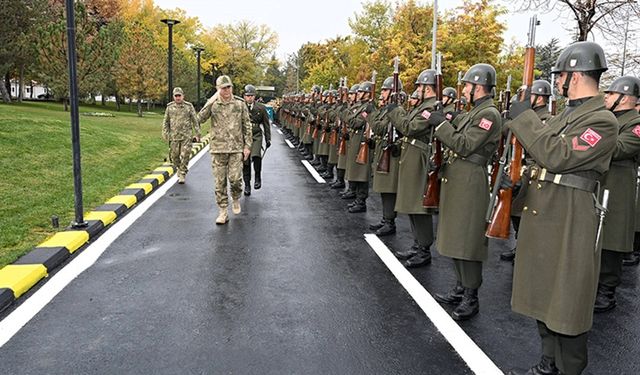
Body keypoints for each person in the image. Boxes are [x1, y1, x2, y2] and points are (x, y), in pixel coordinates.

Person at [506, 41, 617, 375]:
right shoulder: (565, 115)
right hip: (544, 213)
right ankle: (547, 363)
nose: (556, 82)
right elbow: (540, 155)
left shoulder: (602, 121)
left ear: (577, 76)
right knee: (543, 296)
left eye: (561, 75)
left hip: (571, 220)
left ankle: (568, 368)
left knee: (567, 306)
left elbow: (558, 155)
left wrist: (525, 119)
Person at [424, 64, 501, 320]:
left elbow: (465, 144)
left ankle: (471, 296)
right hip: (457, 178)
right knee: (457, 237)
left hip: (470, 180)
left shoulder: (488, 114)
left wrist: (441, 126)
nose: (464, 90)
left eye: (467, 85)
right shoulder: (474, 112)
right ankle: (460, 286)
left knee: (468, 240)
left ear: (478, 87)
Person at [593, 76, 640, 313]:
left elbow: (621, 148)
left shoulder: (637, 123)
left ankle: (607, 291)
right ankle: (596, 285)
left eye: (610, 94)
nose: (606, 97)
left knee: (612, 238)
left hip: (619, 186)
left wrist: (595, 137)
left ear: (624, 98)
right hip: (602, 182)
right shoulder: (611, 119)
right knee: (598, 236)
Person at [386, 69, 441, 267]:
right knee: (411, 202)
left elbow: (409, 127)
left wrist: (395, 110)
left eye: (420, 86)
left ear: (429, 88)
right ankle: (417, 244)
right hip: (411, 154)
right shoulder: (422, 105)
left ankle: (424, 248)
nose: (417, 89)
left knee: (419, 205)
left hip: (419, 157)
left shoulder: (431, 107)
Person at [500, 79, 553, 262]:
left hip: (533, 169)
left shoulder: (546, 119)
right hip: (518, 166)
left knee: (526, 214)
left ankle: (526, 249)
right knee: (515, 211)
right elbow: (506, 131)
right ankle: (519, 245)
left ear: (539, 99)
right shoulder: (525, 117)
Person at [198, 75, 252, 225]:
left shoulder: (240, 104)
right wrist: (211, 101)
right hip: (218, 149)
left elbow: (247, 125)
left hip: (235, 149)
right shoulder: (213, 105)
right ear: (218, 89)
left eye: (228, 87)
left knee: (235, 179)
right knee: (219, 182)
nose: (227, 90)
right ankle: (222, 211)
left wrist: (247, 146)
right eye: (223, 88)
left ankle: (235, 197)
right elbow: (200, 118)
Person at [369, 77, 403, 236]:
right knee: (384, 188)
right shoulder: (386, 110)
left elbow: (379, 128)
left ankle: (389, 221)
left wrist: (370, 114)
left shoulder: (397, 110)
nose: (381, 93)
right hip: (384, 150)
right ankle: (385, 219)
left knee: (388, 189)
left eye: (384, 90)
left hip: (391, 153)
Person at [344, 81, 375, 213]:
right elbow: (350, 119)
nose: (358, 94)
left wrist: (351, 118)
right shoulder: (360, 106)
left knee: (362, 173)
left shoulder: (369, 107)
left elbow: (355, 122)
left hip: (363, 141)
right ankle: (357, 198)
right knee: (356, 170)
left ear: (368, 93)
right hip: (356, 140)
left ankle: (361, 201)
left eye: (361, 92)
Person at [162, 87, 200, 184]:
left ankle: (182, 173)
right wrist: (165, 133)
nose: (178, 98)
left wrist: (197, 133)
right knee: (174, 156)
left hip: (186, 136)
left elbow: (195, 120)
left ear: (183, 96)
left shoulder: (189, 106)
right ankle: (179, 167)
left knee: (185, 155)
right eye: (176, 96)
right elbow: (166, 122)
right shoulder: (169, 107)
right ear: (173, 97)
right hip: (174, 136)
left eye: (179, 96)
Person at [242, 84, 271, 196]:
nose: (249, 98)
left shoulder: (261, 108)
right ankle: (247, 185)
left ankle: (258, 177)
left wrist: (268, 139)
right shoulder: (240, 107)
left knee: (256, 155)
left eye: (251, 95)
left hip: (256, 134)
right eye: (247, 95)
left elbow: (266, 124)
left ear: (255, 96)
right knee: (246, 161)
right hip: (244, 136)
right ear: (244, 96)